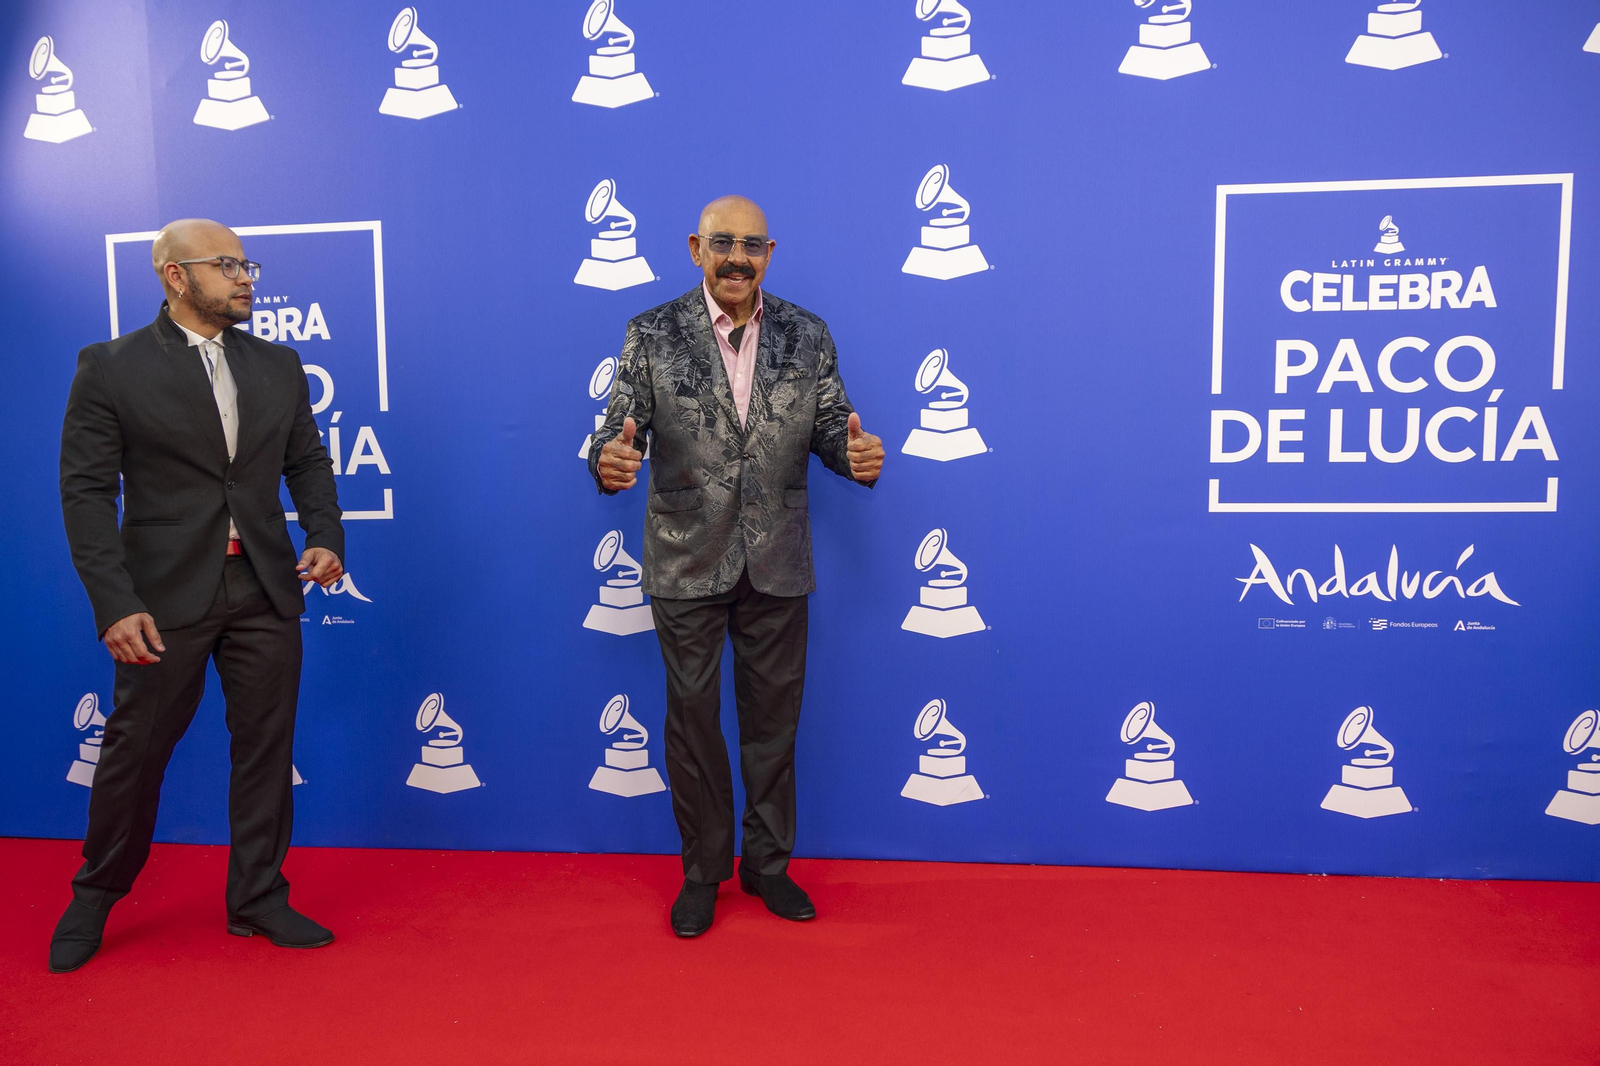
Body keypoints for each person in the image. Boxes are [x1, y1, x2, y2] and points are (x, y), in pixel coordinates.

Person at [50, 218, 345, 973]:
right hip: (159, 601)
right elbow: (86, 494)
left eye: (247, 264)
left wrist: (324, 536)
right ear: (174, 276)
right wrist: (114, 602)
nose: (246, 277)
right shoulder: (110, 367)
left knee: (265, 752)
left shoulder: (278, 364)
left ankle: (257, 897)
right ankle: (94, 895)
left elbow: (308, 462)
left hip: (265, 588)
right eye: (226, 265)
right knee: (134, 754)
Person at [588, 195, 886, 937]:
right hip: (686, 559)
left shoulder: (808, 334)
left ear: (770, 254)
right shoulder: (651, 334)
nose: (736, 257)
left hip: (779, 559)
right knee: (692, 725)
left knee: (773, 725)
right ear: (695, 248)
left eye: (751, 245)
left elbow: (829, 425)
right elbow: (615, 430)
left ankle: (768, 867)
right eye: (722, 242)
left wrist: (851, 457)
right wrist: (610, 460)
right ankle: (702, 873)